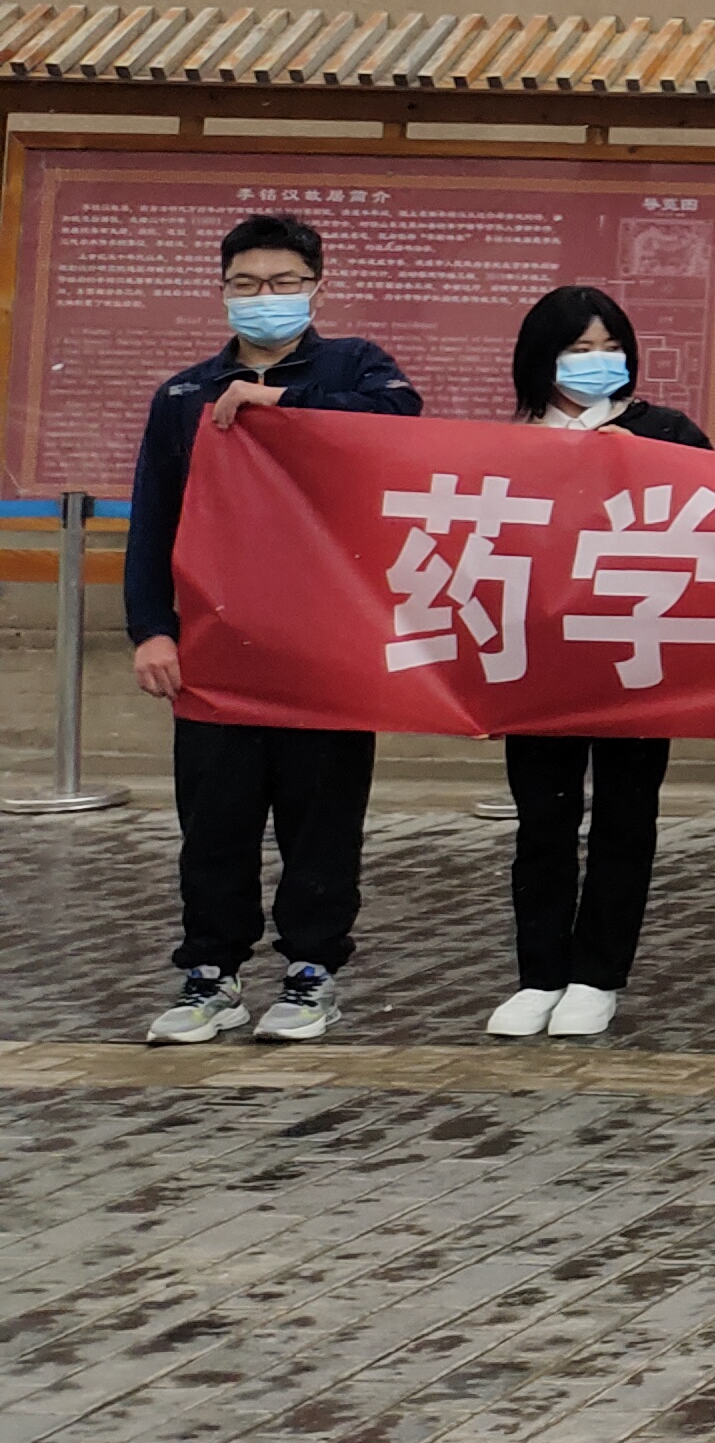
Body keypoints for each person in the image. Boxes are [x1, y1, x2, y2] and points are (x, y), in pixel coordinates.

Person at [132, 214, 423, 1046]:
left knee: (321, 817)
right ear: (223, 291)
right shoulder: (184, 395)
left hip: (325, 643)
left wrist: (282, 400)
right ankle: (210, 975)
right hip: (217, 648)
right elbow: (155, 521)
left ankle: (311, 971)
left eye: (284, 282)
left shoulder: (354, 366)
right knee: (214, 820)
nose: (265, 297)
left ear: (315, 286)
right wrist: (151, 628)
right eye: (246, 284)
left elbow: (399, 424)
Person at [481, 289, 715, 1039]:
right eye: (578, 349)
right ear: (540, 359)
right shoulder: (510, 445)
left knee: (625, 817)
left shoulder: (666, 431)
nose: (597, 361)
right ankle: (539, 974)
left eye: (609, 347)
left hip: (636, 652)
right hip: (541, 662)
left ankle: (598, 974)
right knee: (542, 821)